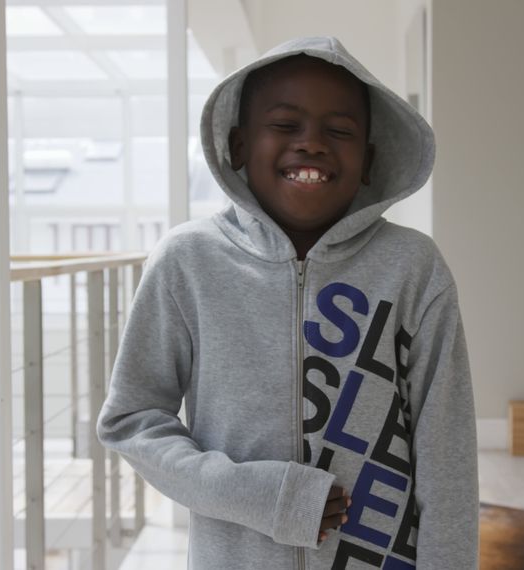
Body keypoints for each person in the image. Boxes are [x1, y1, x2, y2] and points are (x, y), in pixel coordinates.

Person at [97, 36, 478, 569]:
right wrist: (256, 493)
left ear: (367, 159)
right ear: (237, 146)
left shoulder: (413, 267)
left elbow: (447, 452)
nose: (312, 143)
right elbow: (132, 420)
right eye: (284, 125)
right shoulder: (188, 262)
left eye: (339, 131)